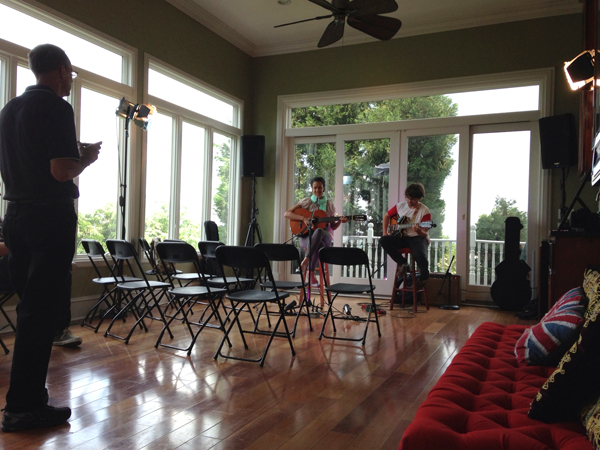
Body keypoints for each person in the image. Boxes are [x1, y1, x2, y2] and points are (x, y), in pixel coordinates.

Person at [0, 43, 100, 432]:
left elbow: (31, 160)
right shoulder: (57, 107)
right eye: (70, 72)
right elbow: (61, 171)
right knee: (41, 316)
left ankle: (29, 399)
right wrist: (86, 159)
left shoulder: (9, 110)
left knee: (30, 312)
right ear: (59, 69)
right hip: (48, 219)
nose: (71, 79)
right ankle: (23, 408)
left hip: (16, 216)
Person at [285, 176, 347, 287]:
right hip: (306, 236)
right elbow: (287, 214)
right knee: (319, 244)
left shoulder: (329, 205)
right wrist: (303, 218)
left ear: (323, 188)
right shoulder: (306, 202)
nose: (317, 190)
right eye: (315, 188)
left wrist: (340, 222)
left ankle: (305, 261)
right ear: (312, 189)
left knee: (318, 231)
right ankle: (311, 273)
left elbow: (332, 227)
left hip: (325, 235)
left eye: (319, 187)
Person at [380, 182, 431, 288]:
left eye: (412, 199)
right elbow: (386, 216)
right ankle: (402, 263)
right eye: (407, 198)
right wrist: (385, 233)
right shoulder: (400, 206)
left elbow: (424, 233)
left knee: (419, 254)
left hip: (417, 237)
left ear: (419, 198)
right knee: (383, 240)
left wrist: (418, 231)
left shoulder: (425, 211)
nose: (409, 201)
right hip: (402, 237)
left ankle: (424, 276)